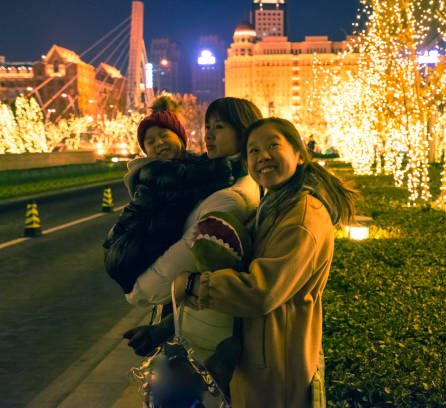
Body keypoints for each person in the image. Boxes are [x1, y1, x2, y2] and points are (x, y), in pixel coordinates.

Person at [173, 117, 358, 408]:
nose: (263, 157)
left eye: (273, 145)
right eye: (254, 151)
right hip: (264, 356)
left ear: (298, 154)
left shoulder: (301, 217)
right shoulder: (276, 204)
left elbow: (260, 292)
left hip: (277, 367)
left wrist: (195, 285)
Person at [122, 98, 263, 393]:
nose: (209, 135)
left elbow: (192, 257)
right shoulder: (218, 180)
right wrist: (161, 329)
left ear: (243, 131)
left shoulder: (232, 196)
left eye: (220, 127)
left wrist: (141, 292)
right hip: (195, 326)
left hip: (206, 342)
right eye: (207, 127)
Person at [103, 96, 235, 298]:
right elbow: (192, 186)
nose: (159, 143)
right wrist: (228, 165)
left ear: (180, 138)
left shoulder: (188, 166)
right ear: (146, 151)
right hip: (129, 251)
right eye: (150, 142)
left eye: (164, 136)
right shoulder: (156, 173)